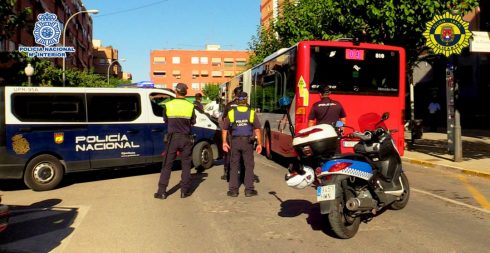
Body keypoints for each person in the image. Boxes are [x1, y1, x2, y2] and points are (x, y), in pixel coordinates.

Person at [155, 83, 196, 199]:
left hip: (172, 138)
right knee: (186, 165)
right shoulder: (190, 106)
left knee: (167, 164)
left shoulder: (168, 105)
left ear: (176, 92)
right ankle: (184, 191)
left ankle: (162, 191)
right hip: (186, 137)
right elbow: (193, 122)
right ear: (185, 92)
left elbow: (165, 120)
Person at [222, 92, 262, 197]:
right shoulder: (251, 113)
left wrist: (224, 142)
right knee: (248, 165)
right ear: (246, 100)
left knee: (234, 165)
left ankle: (233, 190)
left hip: (235, 141)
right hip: (247, 142)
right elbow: (257, 129)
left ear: (237, 100)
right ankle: (249, 190)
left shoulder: (231, 112)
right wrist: (259, 144)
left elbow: (225, 129)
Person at [220, 86, 242, 181]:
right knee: (242, 153)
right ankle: (242, 173)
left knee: (228, 153)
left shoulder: (229, 105)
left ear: (234, 94)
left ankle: (226, 173)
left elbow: (224, 119)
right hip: (243, 133)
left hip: (231, 132)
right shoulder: (246, 106)